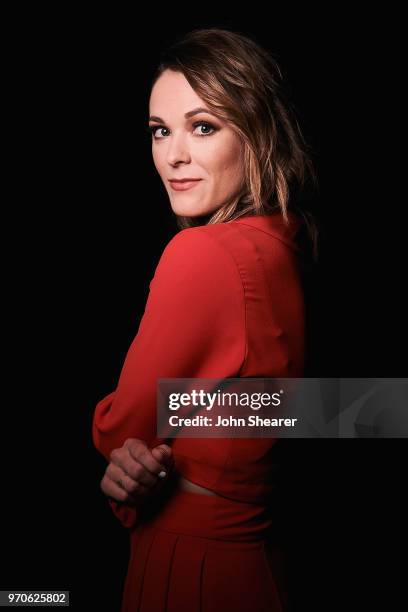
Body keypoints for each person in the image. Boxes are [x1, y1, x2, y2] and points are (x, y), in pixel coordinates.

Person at [92, 27, 319, 612]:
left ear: (258, 132)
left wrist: (131, 438)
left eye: (203, 127)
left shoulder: (207, 254)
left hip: (193, 566)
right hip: (264, 570)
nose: (173, 155)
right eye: (159, 131)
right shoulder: (290, 246)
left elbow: (124, 427)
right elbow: (324, 411)